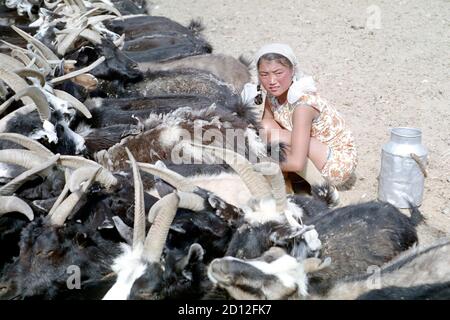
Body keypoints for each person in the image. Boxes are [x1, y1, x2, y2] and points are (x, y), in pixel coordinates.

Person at [241, 43, 357, 195]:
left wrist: (254, 164)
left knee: (273, 140)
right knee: (265, 128)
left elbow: (296, 162)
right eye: (264, 74)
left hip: (337, 162)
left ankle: (323, 187)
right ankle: (292, 179)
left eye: (278, 72)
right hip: (313, 149)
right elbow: (265, 133)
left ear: (292, 70)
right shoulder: (272, 96)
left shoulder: (303, 105)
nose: (272, 81)